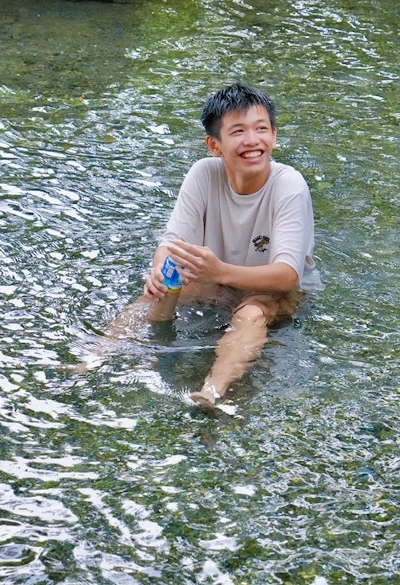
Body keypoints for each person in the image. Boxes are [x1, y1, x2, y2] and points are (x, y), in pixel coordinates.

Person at [118, 83, 317, 409]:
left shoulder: (289, 185)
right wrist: (159, 271)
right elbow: (173, 243)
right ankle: (92, 360)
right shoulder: (203, 174)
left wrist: (220, 271)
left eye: (261, 129)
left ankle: (212, 391)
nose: (252, 141)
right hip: (216, 278)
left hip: (273, 292)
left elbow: (288, 277)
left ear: (274, 136)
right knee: (160, 288)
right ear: (215, 145)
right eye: (238, 131)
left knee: (252, 313)